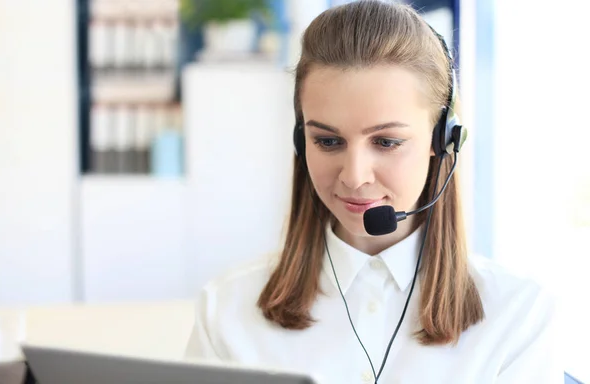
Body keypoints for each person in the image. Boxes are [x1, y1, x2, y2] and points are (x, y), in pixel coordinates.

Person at [185, 1, 561, 383]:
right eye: (329, 141)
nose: (354, 176)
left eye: (385, 142)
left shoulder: (518, 315)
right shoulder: (227, 311)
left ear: (443, 139)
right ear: (301, 141)